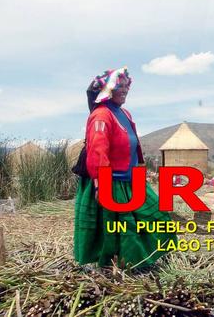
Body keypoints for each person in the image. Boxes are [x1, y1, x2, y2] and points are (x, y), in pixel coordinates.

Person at [74, 66, 177, 269]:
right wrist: (100, 184)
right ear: (106, 90)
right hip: (110, 181)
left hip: (131, 179)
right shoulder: (101, 115)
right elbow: (97, 150)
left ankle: (148, 255)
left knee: (157, 214)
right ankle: (124, 263)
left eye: (126, 85)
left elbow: (133, 145)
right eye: (119, 86)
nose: (125, 90)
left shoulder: (124, 113)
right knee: (120, 227)